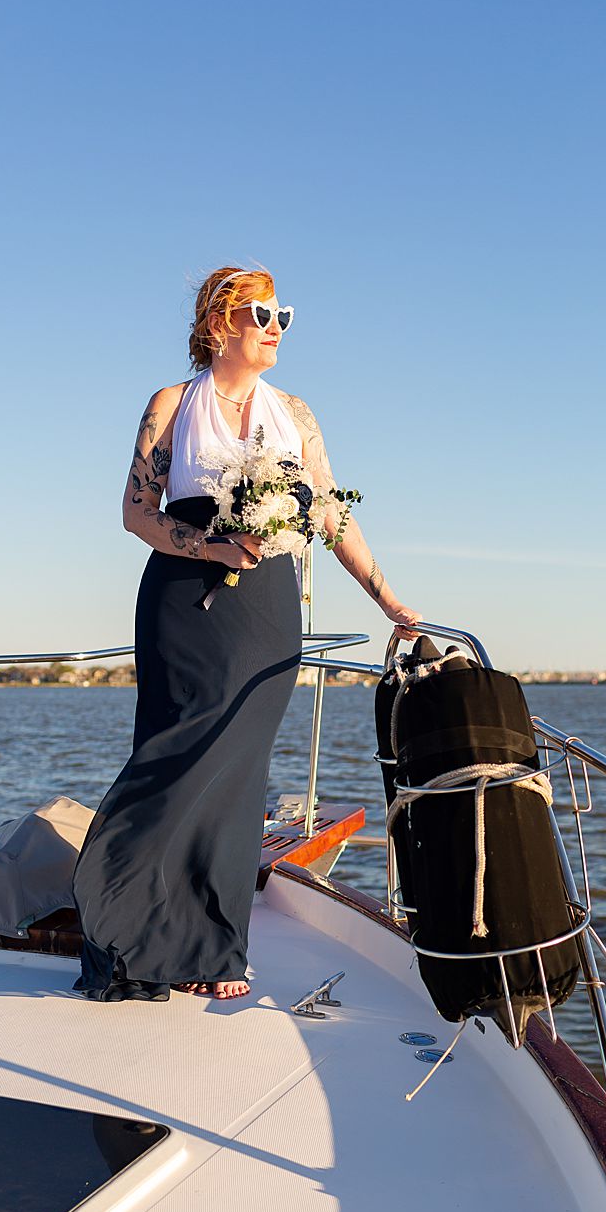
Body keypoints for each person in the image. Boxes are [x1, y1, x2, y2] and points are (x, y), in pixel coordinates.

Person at [70, 266, 421, 1003]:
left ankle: (212, 946)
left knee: (238, 772)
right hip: (182, 601)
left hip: (266, 609)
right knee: (174, 756)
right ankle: (125, 922)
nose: (276, 327)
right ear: (219, 322)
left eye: (283, 314)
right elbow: (137, 514)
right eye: (262, 312)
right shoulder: (172, 403)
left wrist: (387, 597)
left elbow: (331, 515)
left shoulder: (296, 413)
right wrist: (212, 547)